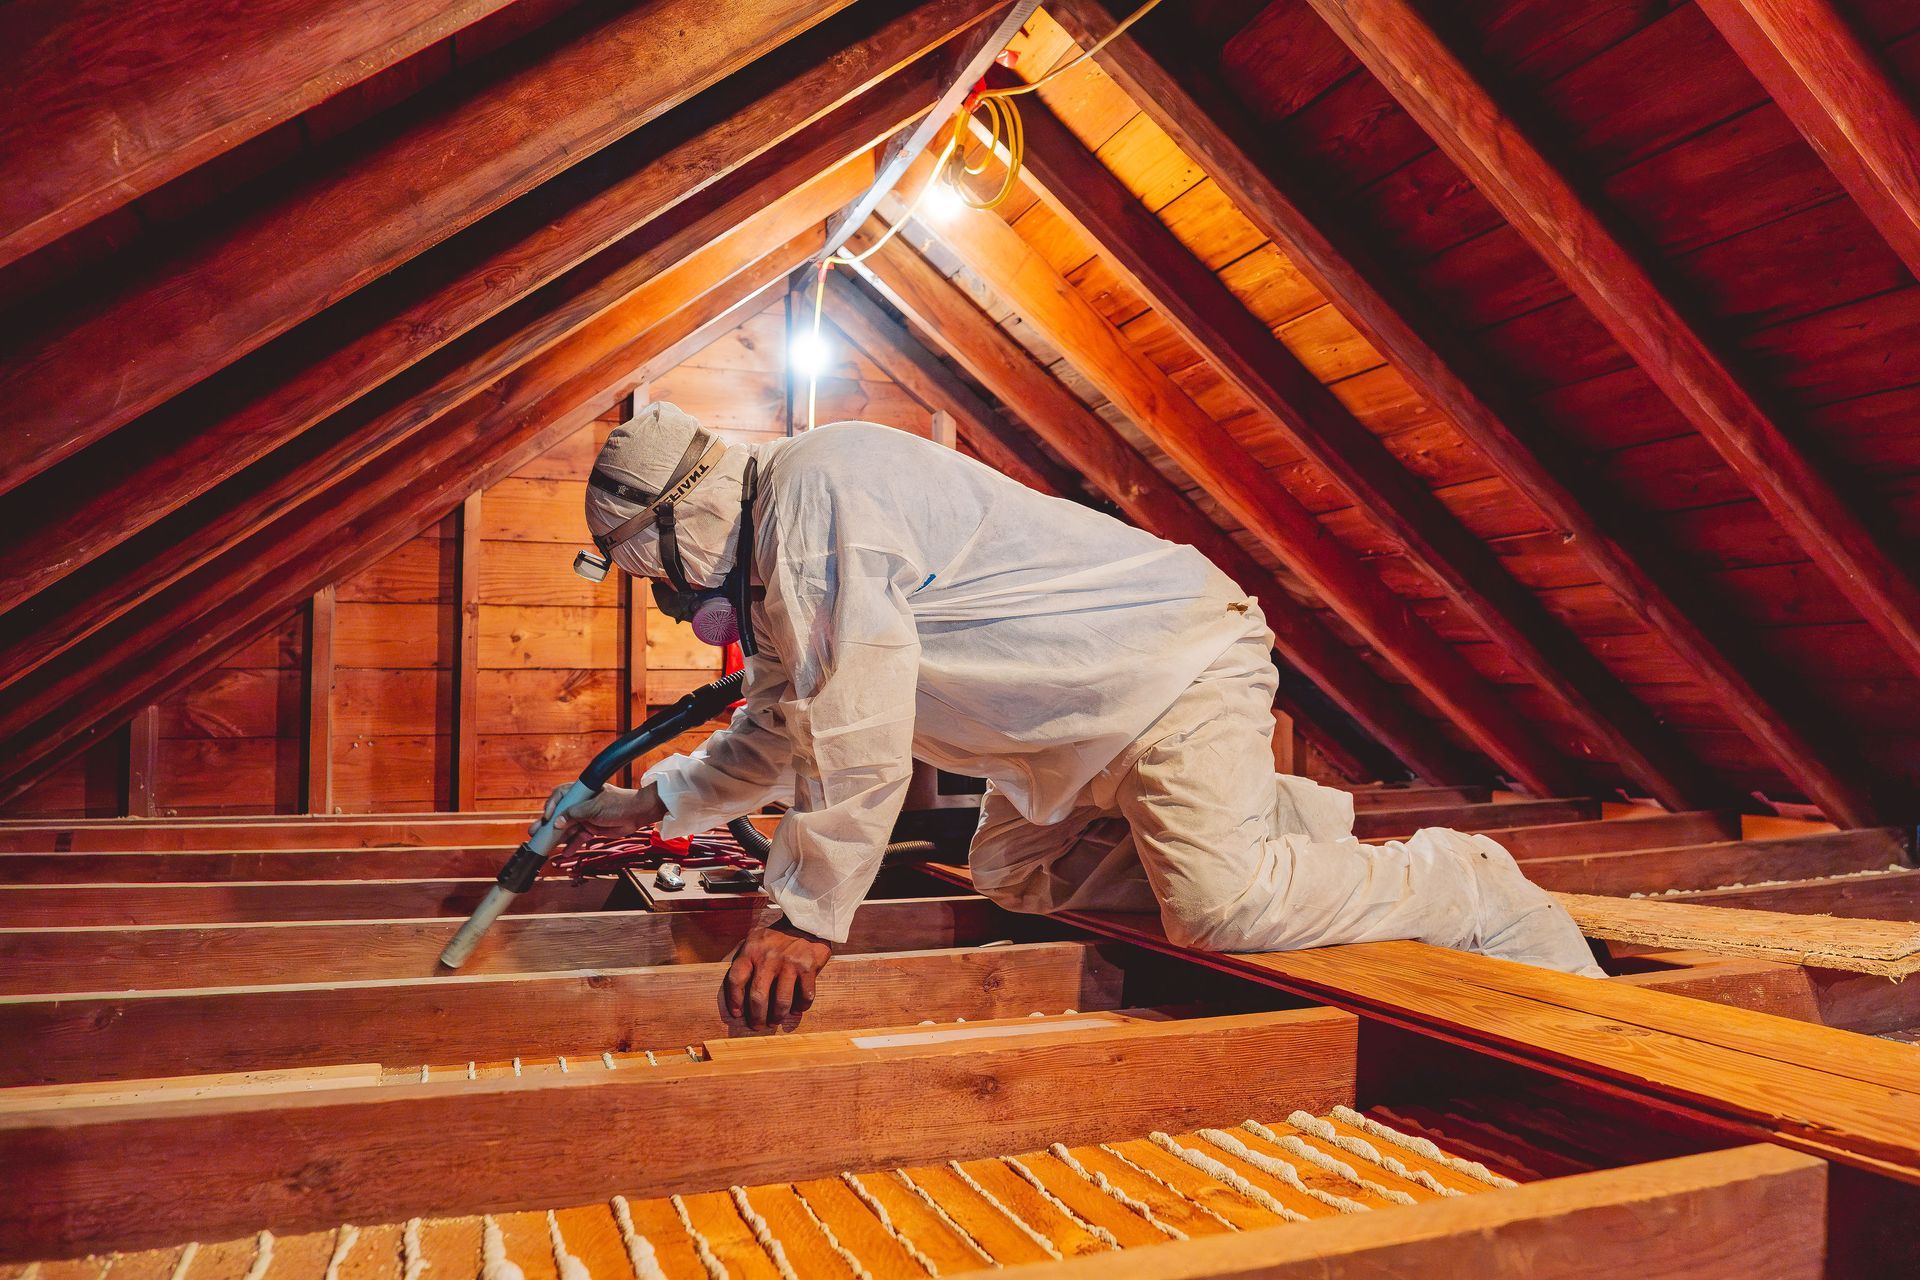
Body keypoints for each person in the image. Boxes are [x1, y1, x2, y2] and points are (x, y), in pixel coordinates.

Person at [543, 403, 1603, 1029]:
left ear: (684, 520)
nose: (675, 601)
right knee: (1017, 874)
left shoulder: (816, 505)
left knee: (1220, 910)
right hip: (1075, 730)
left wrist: (807, 916)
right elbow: (780, 730)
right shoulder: (786, 544)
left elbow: (855, 737)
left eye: (660, 575)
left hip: (1166, 671)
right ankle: (1275, 826)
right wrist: (658, 802)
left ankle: (1460, 878)